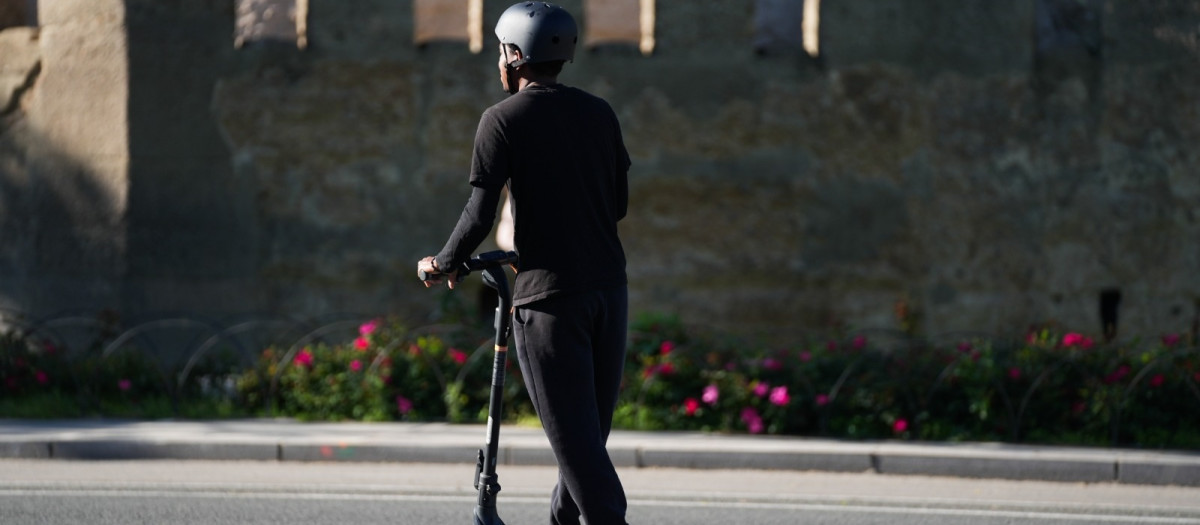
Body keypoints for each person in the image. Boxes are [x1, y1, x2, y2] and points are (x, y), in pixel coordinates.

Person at [417, 3, 631, 524]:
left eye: (500, 51)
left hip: (548, 302)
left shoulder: (501, 120)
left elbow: (479, 212)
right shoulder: (600, 112)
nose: (498, 62)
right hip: (609, 293)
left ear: (514, 56)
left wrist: (443, 263)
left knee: (578, 449)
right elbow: (618, 204)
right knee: (584, 441)